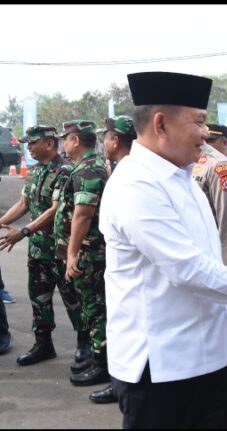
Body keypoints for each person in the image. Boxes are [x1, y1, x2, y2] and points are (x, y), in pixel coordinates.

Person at [99, 71, 227, 429]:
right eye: (199, 122)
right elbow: (187, 269)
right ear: (161, 124)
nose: (206, 133)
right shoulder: (136, 184)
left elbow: (209, 262)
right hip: (162, 371)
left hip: (209, 361)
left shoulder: (181, 176)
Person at [0, 126, 87, 368]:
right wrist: (1, 222)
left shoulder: (65, 171)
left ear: (49, 144)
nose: (28, 147)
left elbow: (55, 209)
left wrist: (24, 231)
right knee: (39, 297)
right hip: (38, 249)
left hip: (60, 248)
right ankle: (43, 343)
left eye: (33, 142)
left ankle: (85, 344)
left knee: (73, 298)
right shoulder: (36, 172)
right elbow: (24, 203)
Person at [53, 120, 110, 386]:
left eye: (66, 138)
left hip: (91, 254)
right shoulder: (84, 167)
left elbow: (84, 214)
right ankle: (96, 357)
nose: (63, 143)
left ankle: (103, 363)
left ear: (76, 141)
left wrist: (73, 253)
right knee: (90, 308)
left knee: (97, 309)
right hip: (85, 253)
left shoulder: (90, 169)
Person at [88, 115, 137, 405]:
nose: (103, 142)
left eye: (105, 137)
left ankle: (119, 383)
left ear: (115, 140)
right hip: (117, 265)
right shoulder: (120, 170)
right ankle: (118, 381)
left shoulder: (128, 174)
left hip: (125, 270)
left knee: (120, 325)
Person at [192, 124, 227, 266]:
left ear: (224, 142)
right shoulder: (191, 158)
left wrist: (224, 266)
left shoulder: (220, 165)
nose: (206, 143)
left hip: (212, 255)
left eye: (211, 140)